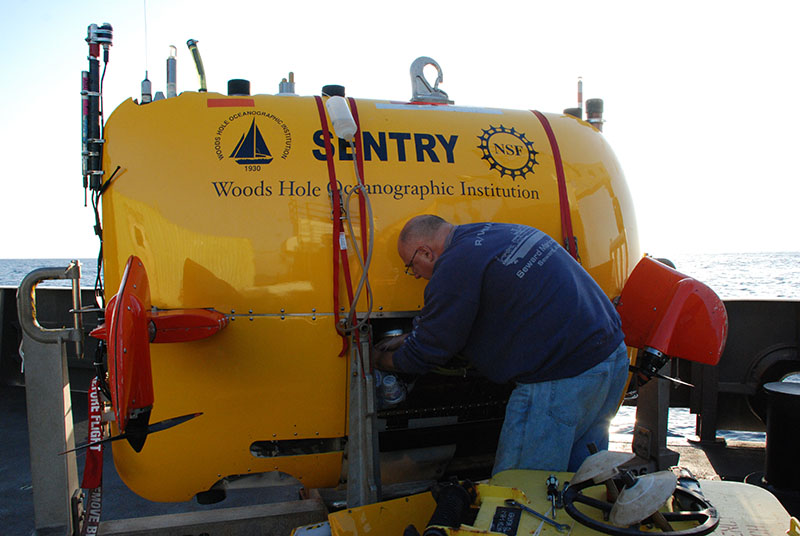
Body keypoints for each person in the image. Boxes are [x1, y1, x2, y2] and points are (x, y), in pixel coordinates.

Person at [373, 215, 629, 473]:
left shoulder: (454, 264)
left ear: (426, 252)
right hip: (611, 359)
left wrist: (378, 358)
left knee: (521, 491)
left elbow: (427, 352)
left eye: (411, 266)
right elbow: (450, 321)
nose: (415, 275)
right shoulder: (500, 233)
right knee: (583, 479)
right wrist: (406, 337)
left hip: (563, 376)